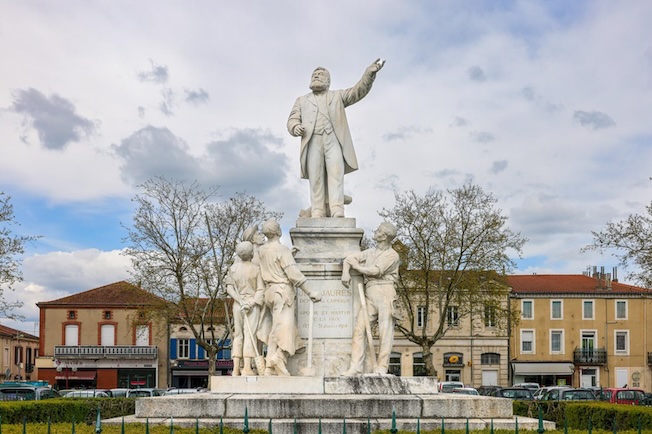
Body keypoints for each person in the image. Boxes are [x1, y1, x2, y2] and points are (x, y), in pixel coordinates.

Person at [287, 59, 385, 218]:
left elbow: (357, 91)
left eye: (320, 75)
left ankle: (337, 209)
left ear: (328, 81)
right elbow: (292, 119)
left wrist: (368, 75)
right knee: (315, 177)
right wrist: (294, 127)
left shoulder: (337, 96)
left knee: (336, 175)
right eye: (314, 75)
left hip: (334, 140)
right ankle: (317, 210)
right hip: (312, 141)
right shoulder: (302, 100)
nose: (316, 76)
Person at [257, 218, 322, 376]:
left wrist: (290, 256)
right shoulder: (282, 250)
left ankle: (269, 367)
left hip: (269, 292)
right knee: (286, 329)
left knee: (276, 329)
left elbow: (274, 264)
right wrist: (310, 292)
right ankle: (279, 357)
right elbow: (294, 274)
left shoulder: (262, 250)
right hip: (282, 292)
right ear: (279, 231)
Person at [341, 222, 400, 376]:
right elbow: (349, 258)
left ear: (385, 236)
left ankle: (381, 367)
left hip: (386, 291)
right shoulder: (370, 252)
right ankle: (356, 367)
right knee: (360, 329)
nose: (376, 231)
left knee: (384, 332)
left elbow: (376, 271)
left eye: (379, 230)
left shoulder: (392, 255)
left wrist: (358, 268)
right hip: (370, 292)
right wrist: (346, 272)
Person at [224, 241, 265, 376]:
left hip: (238, 304)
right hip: (251, 305)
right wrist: (250, 303)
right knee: (249, 334)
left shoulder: (233, 269)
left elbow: (229, 289)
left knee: (238, 335)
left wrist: (239, 300)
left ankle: (236, 368)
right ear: (252, 253)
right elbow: (260, 289)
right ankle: (247, 368)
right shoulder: (256, 269)